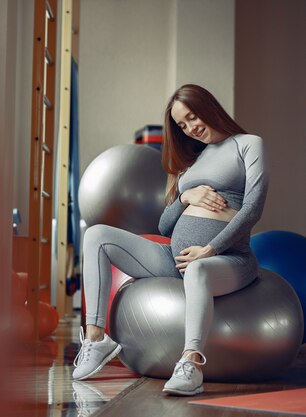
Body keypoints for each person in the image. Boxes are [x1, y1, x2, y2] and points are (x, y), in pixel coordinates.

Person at [72, 84, 269, 396]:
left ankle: (191, 364)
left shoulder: (248, 145)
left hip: (228, 259)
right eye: (182, 125)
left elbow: (253, 208)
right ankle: (96, 338)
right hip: (174, 259)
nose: (191, 128)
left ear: (209, 108)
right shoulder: (192, 162)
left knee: (198, 271)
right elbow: (164, 226)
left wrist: (211, 249)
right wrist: (185, 195)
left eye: (192, 117)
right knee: (96, 236)